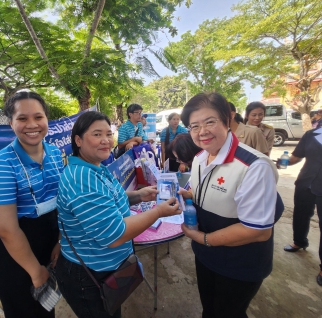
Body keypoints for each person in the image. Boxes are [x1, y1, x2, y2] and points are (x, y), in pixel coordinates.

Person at [55, 111, 181, 318]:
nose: (106, 140)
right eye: (97, 135)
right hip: (89, 275)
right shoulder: (82, 179)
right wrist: (158, 211)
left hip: (107, 268)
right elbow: (114, 235)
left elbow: (109, 199)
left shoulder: (95, 167)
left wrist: (138, 196)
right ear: (78, 140)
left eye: (108, 133)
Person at [179, 92, 279, 318]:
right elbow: (202, 191)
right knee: (209, 310)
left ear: (228, 119)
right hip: (206, 255)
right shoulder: (200, 158)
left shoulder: (253, 166)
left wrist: (203, 238)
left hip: (239, 263)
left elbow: (258, 231)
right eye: (194, 126)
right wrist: (184, 195)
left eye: (209, 122)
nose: (201, 131)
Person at [0, 91, 64, 318]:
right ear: (11, 123)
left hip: (48, 244)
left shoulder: (55, 154)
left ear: (47, 120)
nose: (32, 125)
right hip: (16, 256)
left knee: (46, 310)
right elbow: (7, 229)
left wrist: (59, 241)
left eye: (38, 117)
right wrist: (35, 271)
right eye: (22, 118)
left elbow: (59, 203)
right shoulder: (1, 164)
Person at [282, 126, 322, 286]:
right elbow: (297, 156)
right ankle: (299, 241)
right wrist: (283, 161)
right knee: (300, 214)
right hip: (306, 182)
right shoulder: (311, 134)